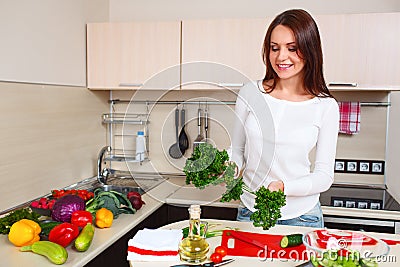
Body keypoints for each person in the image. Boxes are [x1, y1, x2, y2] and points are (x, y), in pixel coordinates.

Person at [230, 9, 339, 228]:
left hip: (302, 217)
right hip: (251, 213)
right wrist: (223, 166)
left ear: (309, 50)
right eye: (274, 48)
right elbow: (237, 151)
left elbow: (324, 176)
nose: (281, 57)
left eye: (292, 48)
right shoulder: (250, 92)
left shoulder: (325, 106)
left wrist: (283, 187)